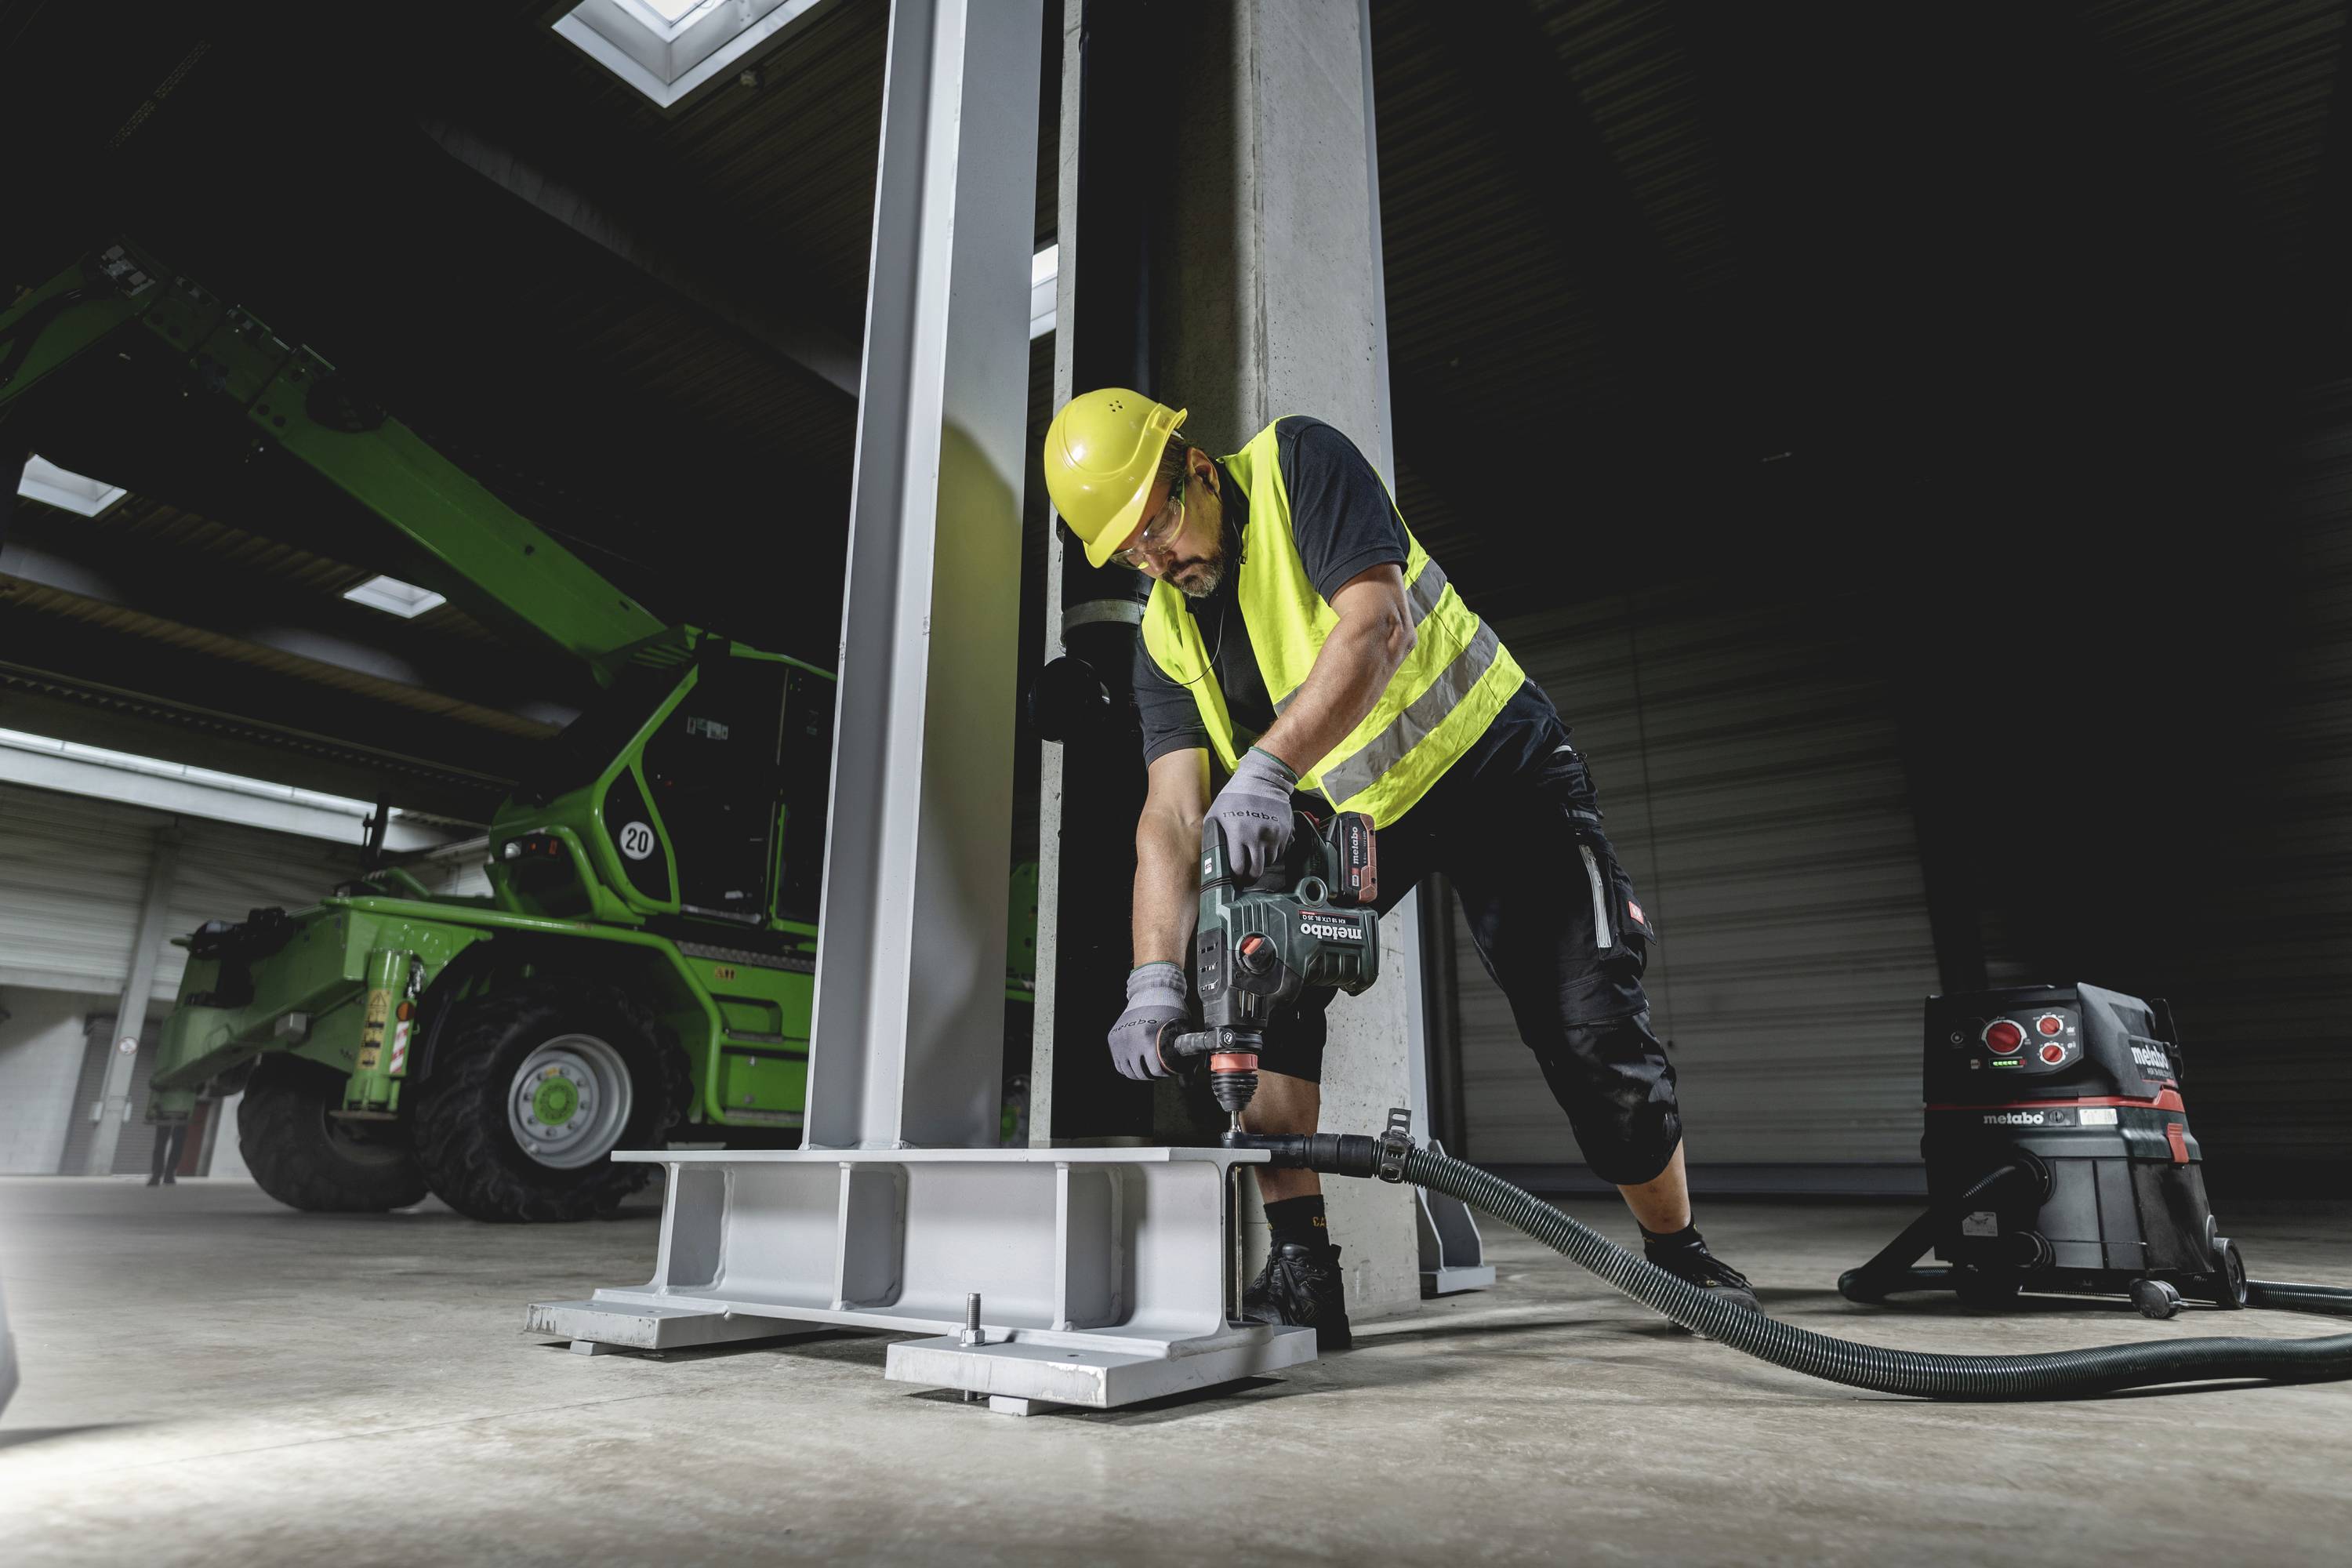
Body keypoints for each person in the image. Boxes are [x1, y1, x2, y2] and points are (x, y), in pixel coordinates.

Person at [1040, 390, 1759, 1349]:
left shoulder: (1300, 465)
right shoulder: (1165, 640)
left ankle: (1677, 1255)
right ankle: (1303, 1267)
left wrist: (1265, 766)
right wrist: (1154, 976)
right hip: (1365, 815)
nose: (1159, 558)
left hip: (1496, 768)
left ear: (1196, 464)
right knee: (1246, 973)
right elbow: (1169, 815)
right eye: (1132, 551)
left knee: (1590, 1030)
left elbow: (1376, 625)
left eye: (1160, 523)